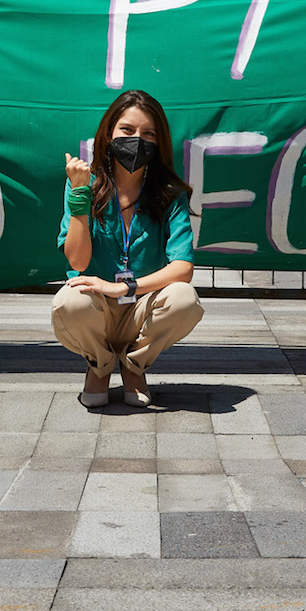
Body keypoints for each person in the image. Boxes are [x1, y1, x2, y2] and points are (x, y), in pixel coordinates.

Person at [53, 89, 204, 408]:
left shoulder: (169, 194)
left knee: (183, 299)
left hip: (141, 304)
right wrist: (79, 195)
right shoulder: (85, 184)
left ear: (159, 142)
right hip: (98, 307)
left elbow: (183, 269)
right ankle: (99, 367)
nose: (137, 140)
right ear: (108, 134)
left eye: (148, 133)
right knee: (69, 301)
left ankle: (134, 367)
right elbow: (78, 261)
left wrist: (123, 287)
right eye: (127, 130)